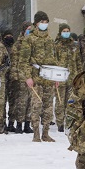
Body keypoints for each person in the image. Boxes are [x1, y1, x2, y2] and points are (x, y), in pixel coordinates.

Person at [19, 11, 59, 142]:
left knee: (48, 107)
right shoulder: (29, 39)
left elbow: (54, 60)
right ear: (36, 23)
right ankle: (36, 133)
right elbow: (23, 61)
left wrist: (56, 77)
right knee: (36, 105)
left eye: (46, 22)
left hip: (48, 78)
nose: (44, 24)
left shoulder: (49, 39)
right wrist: (27, 77)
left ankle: (46, 132)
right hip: (36, 77)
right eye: (42, 22)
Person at [54, 23, 82, 132]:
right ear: (60, 32)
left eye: (67, 31)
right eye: (64, 31)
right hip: (60, 77)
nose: (66, 33)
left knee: (70, 101)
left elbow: (78, 61)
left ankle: (68, 121)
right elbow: (53, 61)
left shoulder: (74, 46)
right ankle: (60, 122)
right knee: (60, 101)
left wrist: (79, 75)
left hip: (72, 76)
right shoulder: (56, 45)